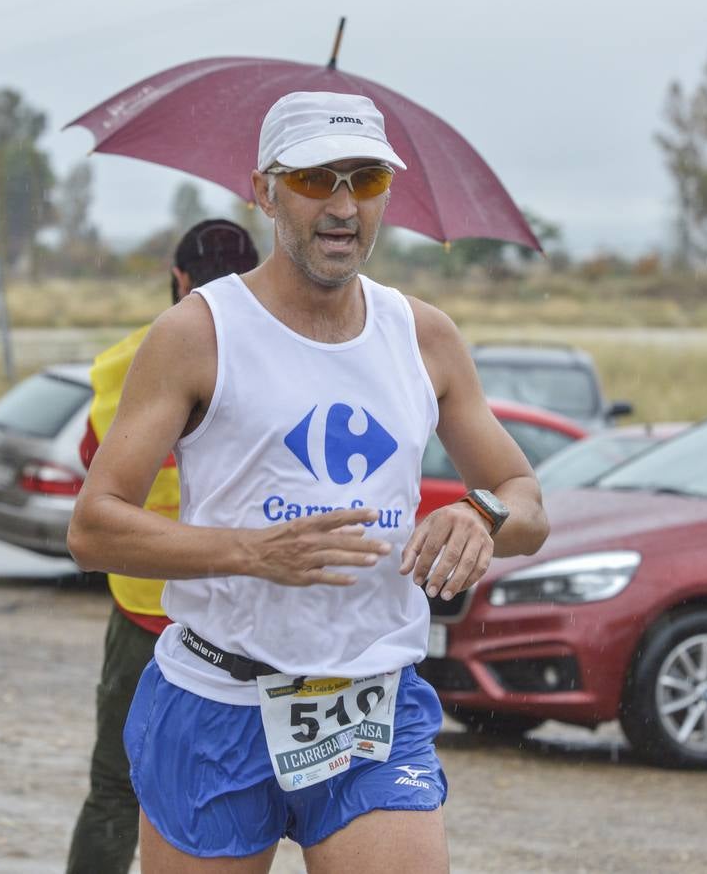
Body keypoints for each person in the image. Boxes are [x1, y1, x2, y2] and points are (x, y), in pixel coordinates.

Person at [68, 90, 550, 872]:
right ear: (263, 190)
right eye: (314, 179)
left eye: (364, 181)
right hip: (218, 701)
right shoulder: (197, 333)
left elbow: (525, 498)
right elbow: (94, 527)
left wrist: (482, 513)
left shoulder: (423, 336)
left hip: (369, 704)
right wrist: (250, 554)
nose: (341, 206)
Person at [66, 219, 260, 874]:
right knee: (261, 797)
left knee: (118, 788)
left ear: (179, 279)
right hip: (246, 615)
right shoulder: (281, 354)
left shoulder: (128, 361)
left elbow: (93, 465)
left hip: (144, 606)